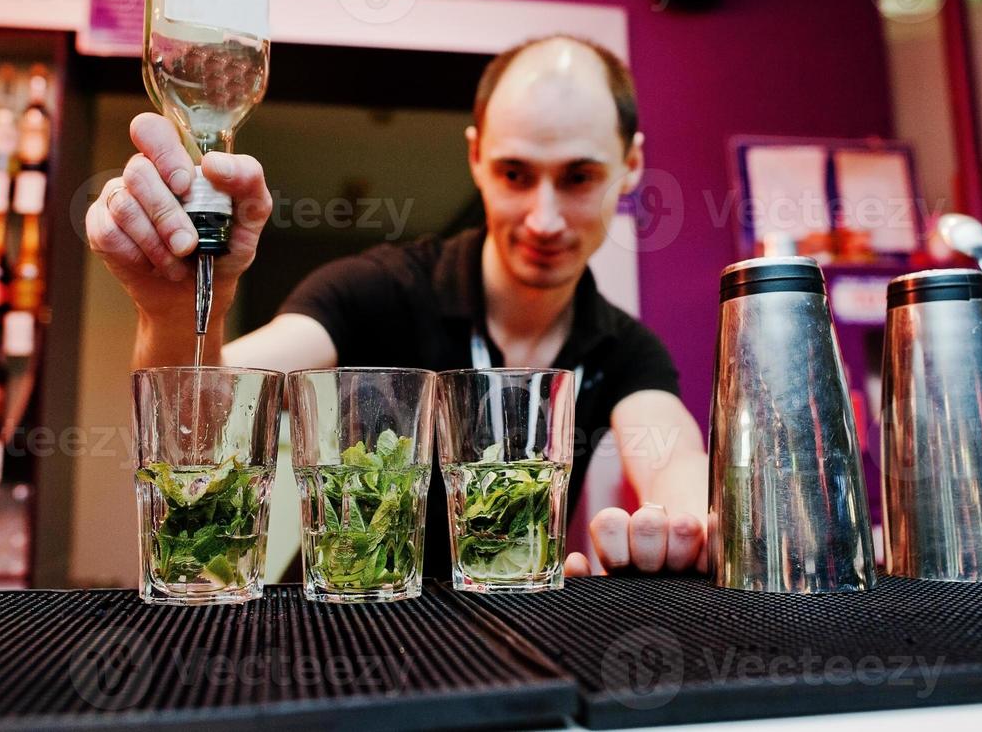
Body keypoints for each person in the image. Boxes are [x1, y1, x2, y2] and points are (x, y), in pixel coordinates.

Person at [86, 35, 709, 576]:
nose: (543, 219)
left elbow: (678, 465)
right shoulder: (375, 290)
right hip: (340, 636)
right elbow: (198, 420)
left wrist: (681, 530)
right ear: (476, 158)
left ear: (629, 167)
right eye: (516, 174)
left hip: (512, 648)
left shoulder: (625, 349)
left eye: (578, 178)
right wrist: (175, 311)